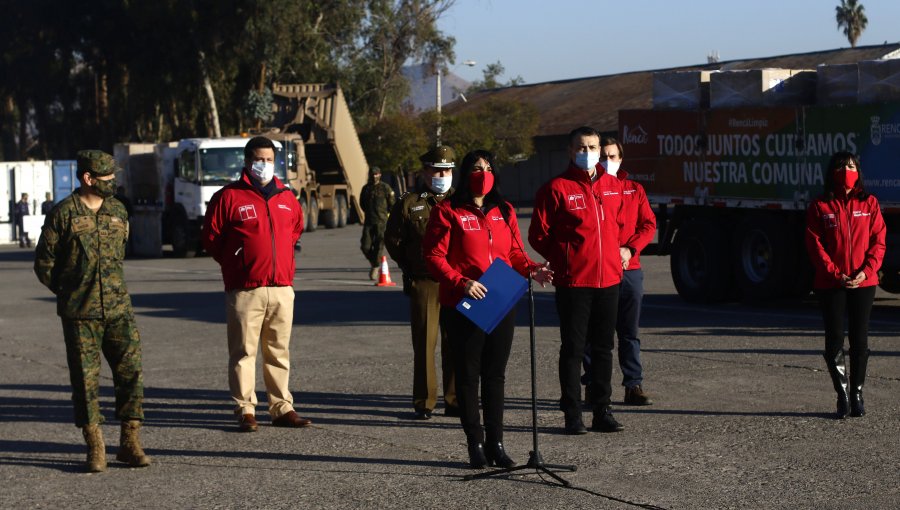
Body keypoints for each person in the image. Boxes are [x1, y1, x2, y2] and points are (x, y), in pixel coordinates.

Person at [424, 149, 552, 469]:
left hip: (501, 296)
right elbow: (434, 256)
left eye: (489, 167)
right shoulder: (448, 211)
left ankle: (497, 443)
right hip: (464, 302)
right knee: (468, 377)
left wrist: (533, 269)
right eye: (477, 168)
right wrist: (460, 281)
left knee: (495, 375)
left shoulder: (503, 210)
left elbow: (515, 254)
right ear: (466, 173)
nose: (483, 173)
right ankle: (475, 444)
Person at [33, 150, 150, 472]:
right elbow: (44, 263)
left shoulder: (117, 210)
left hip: (119, 310)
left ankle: (129, 442)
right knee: (85, 382)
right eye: (107, 179)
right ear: (88, 178)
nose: (114, 183)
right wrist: (70, 292)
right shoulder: (63, 214)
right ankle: (95, 445)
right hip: (80, 314)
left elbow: (119, 255)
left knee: (131, 374)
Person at [201, 136, 311, 432]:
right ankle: (245, 409)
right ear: (247, 161)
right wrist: (238, 262)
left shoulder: (287, 198)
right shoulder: (228, 197)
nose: (264, 165)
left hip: (281, 288)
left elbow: (295, 230)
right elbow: (212, 238)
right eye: (259, 159)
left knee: (279, 350)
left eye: (269, 160)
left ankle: (282, 407)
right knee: (243, 352)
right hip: (245, 289)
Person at [529, 126, 626, 435]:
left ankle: (602, 410)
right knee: (572, 348)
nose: (589, 153)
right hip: (574, 282)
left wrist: (618, 252)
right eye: (582, 148)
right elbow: (538, 234)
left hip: (609, 279)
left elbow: (619, 226)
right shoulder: (556, 188)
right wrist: (565, 259)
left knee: (603, 348)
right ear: (571, 152)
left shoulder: (613, 186)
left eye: (593, 147)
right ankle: (572, 413)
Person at [805, 151, 886, 419]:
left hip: (864, 282)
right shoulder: (820, 206)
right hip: (832, 283)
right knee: (834, 341)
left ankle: (857, 394)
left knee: (860, 340)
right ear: (832, 172)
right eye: (842, 167)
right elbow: (815, 245)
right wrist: (835, 273)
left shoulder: (870, 203)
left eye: (851, 166)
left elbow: (878, 241)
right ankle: (842, 396)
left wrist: (866, 272)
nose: (847, 171)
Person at [385, 145, 459, 420]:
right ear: (426, 172)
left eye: (447, 170)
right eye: (436, 170)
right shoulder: (409, 201)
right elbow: (394, 240)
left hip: (457, 283)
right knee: (425, 344)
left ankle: (455, 399)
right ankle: (425, 401)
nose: (442, 175)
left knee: (457, 343)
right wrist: (412, 267)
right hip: (425, 281)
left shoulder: (462, 200)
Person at [582, 137, 657, 406]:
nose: (607, 162)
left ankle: (633, 385)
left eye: (613, 157)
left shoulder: (634, 189)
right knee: (596, 332)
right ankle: (593, 384)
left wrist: (630, 249)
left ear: (621, 159)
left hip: (629, 269)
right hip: (600, 270)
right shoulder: (590, 189)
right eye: (603, 156)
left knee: (629, 332)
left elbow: (648, 225)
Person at [360, 166, 396, 280]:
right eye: (372, 174)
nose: (374, 176)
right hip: (369, 221)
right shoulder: (366, 188)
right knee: (365, 246)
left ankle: (375, 267)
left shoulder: (385, 188)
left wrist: (389, 218)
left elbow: (392, 205)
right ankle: (374, 262)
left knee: (379, 246)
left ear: (380, 175)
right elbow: (362, 204)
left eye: (376, 174)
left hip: (382, 222)